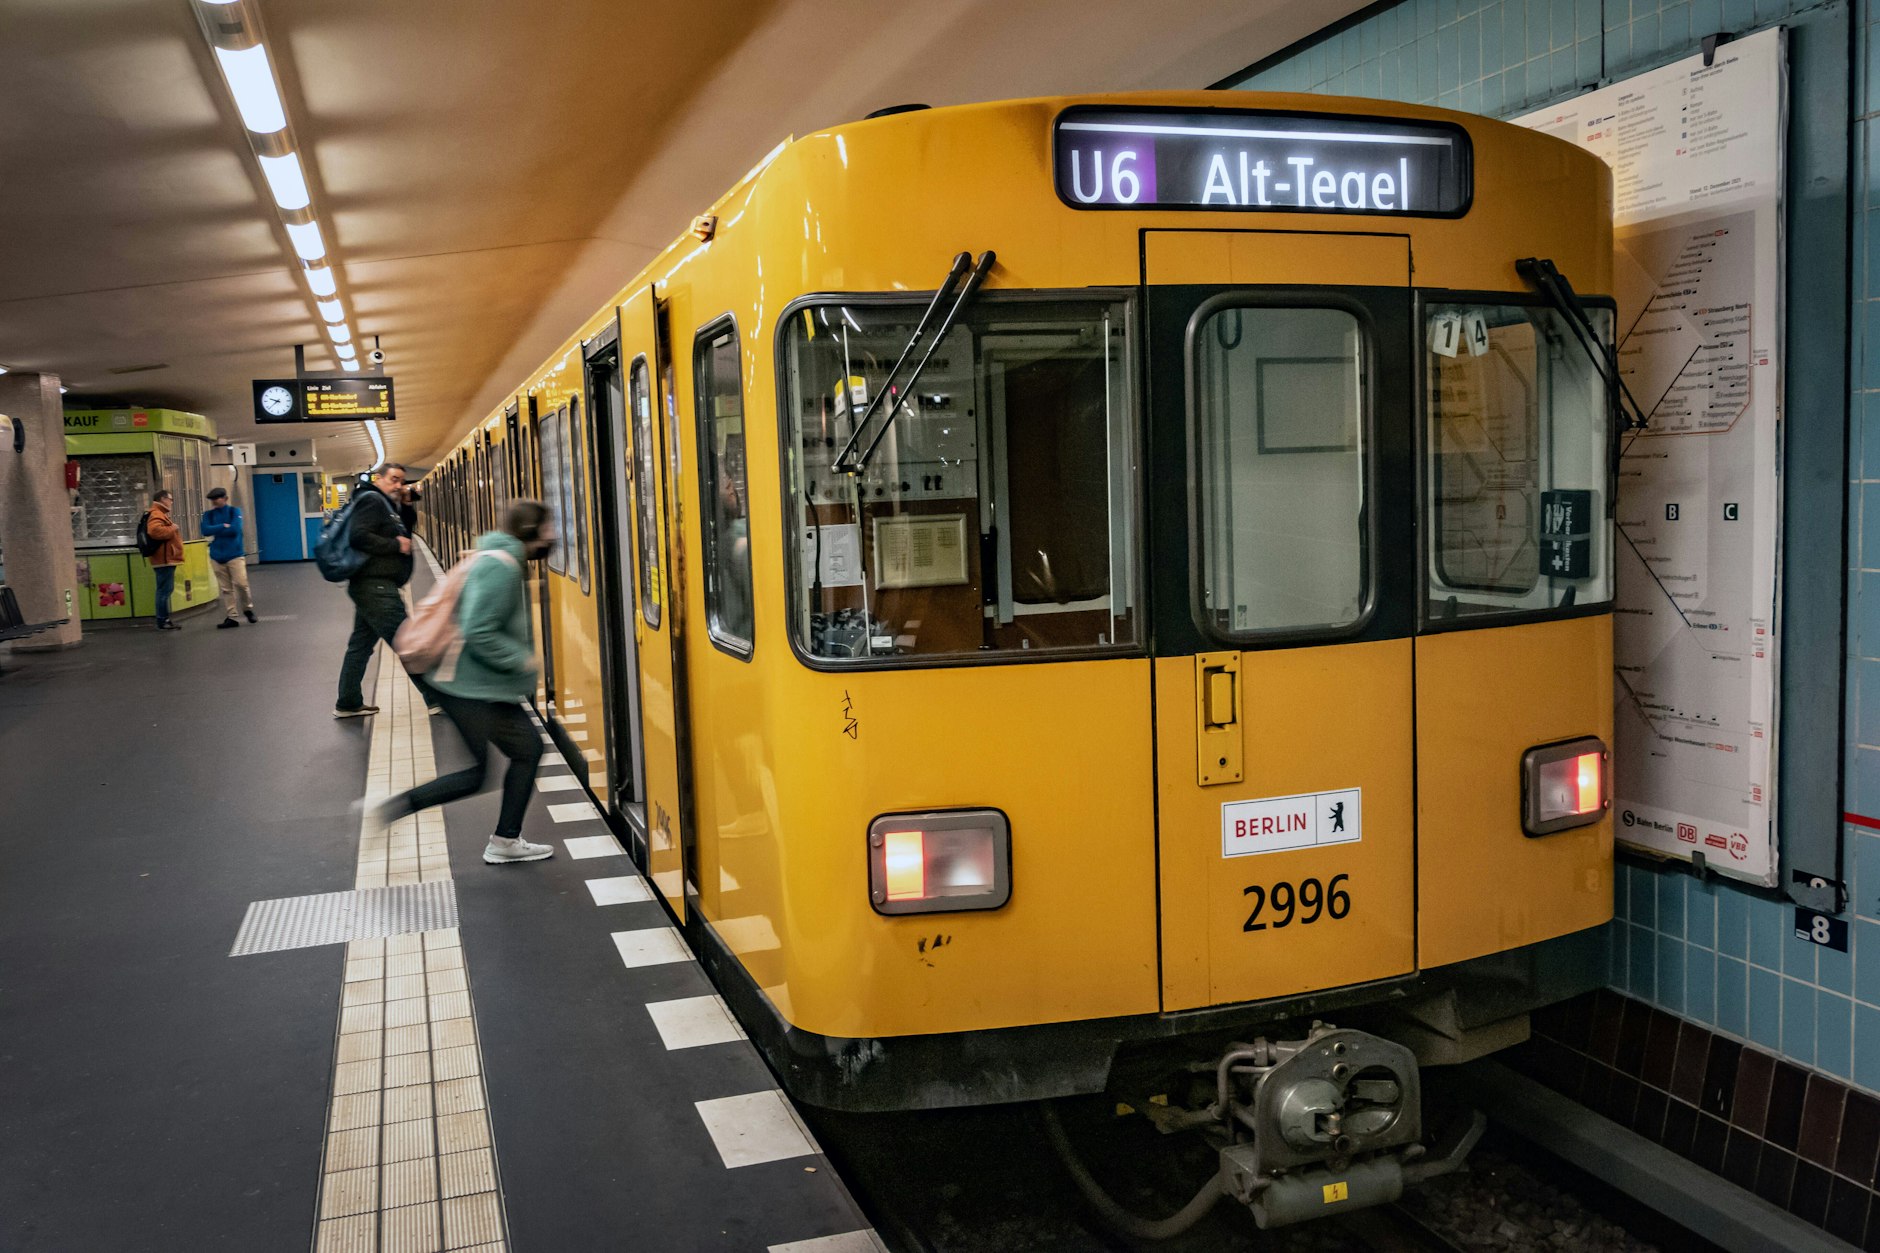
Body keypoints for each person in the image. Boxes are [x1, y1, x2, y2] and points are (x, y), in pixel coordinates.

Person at [376, 499, 555, 864]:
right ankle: (388, 810)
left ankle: (505, 840)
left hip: (481, 685)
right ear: (530, 532)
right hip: (469, 686)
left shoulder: (499, 558)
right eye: (548, 529)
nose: (553, 535)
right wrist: (521, 657)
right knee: (481, 772)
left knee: (527, 750)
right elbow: (478, 629)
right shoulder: (502, 568)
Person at [334, 462, 441, 718]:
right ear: (379, 478)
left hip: (372, 585)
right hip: (376, 586)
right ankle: (437, 698)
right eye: (393, 479)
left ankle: (348, 702)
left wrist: (404, 504)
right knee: (407, 641)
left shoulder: (384, 503)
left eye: (402, 481)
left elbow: (407, 530)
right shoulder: (371, 500)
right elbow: (358, 536)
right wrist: (394, 545)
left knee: (360, 645)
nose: (398, 485)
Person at [200, 486, 256, 629]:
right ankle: (232, 616)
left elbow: (235, 529)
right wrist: (223, 526)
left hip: (235, 555)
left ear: (225, 498)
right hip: (217, 556)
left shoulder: (234, 511)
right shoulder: (208, 515)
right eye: (212, 499)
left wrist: (218, 529)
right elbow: (205, 530)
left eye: (216, 498)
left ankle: (247, 608)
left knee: (241, 584)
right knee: (226, 589)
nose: (214, 502)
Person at [144, 489, 185, 631]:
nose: (171, 502)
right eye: (170, 499)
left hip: (165, 558)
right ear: (163, 499)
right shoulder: (156, 514)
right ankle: (163, 620)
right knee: (164, 591)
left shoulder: (158, 513)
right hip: (164, 559)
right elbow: (154, 531)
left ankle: (164, 619)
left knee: (165, 590)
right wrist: (173, 528)